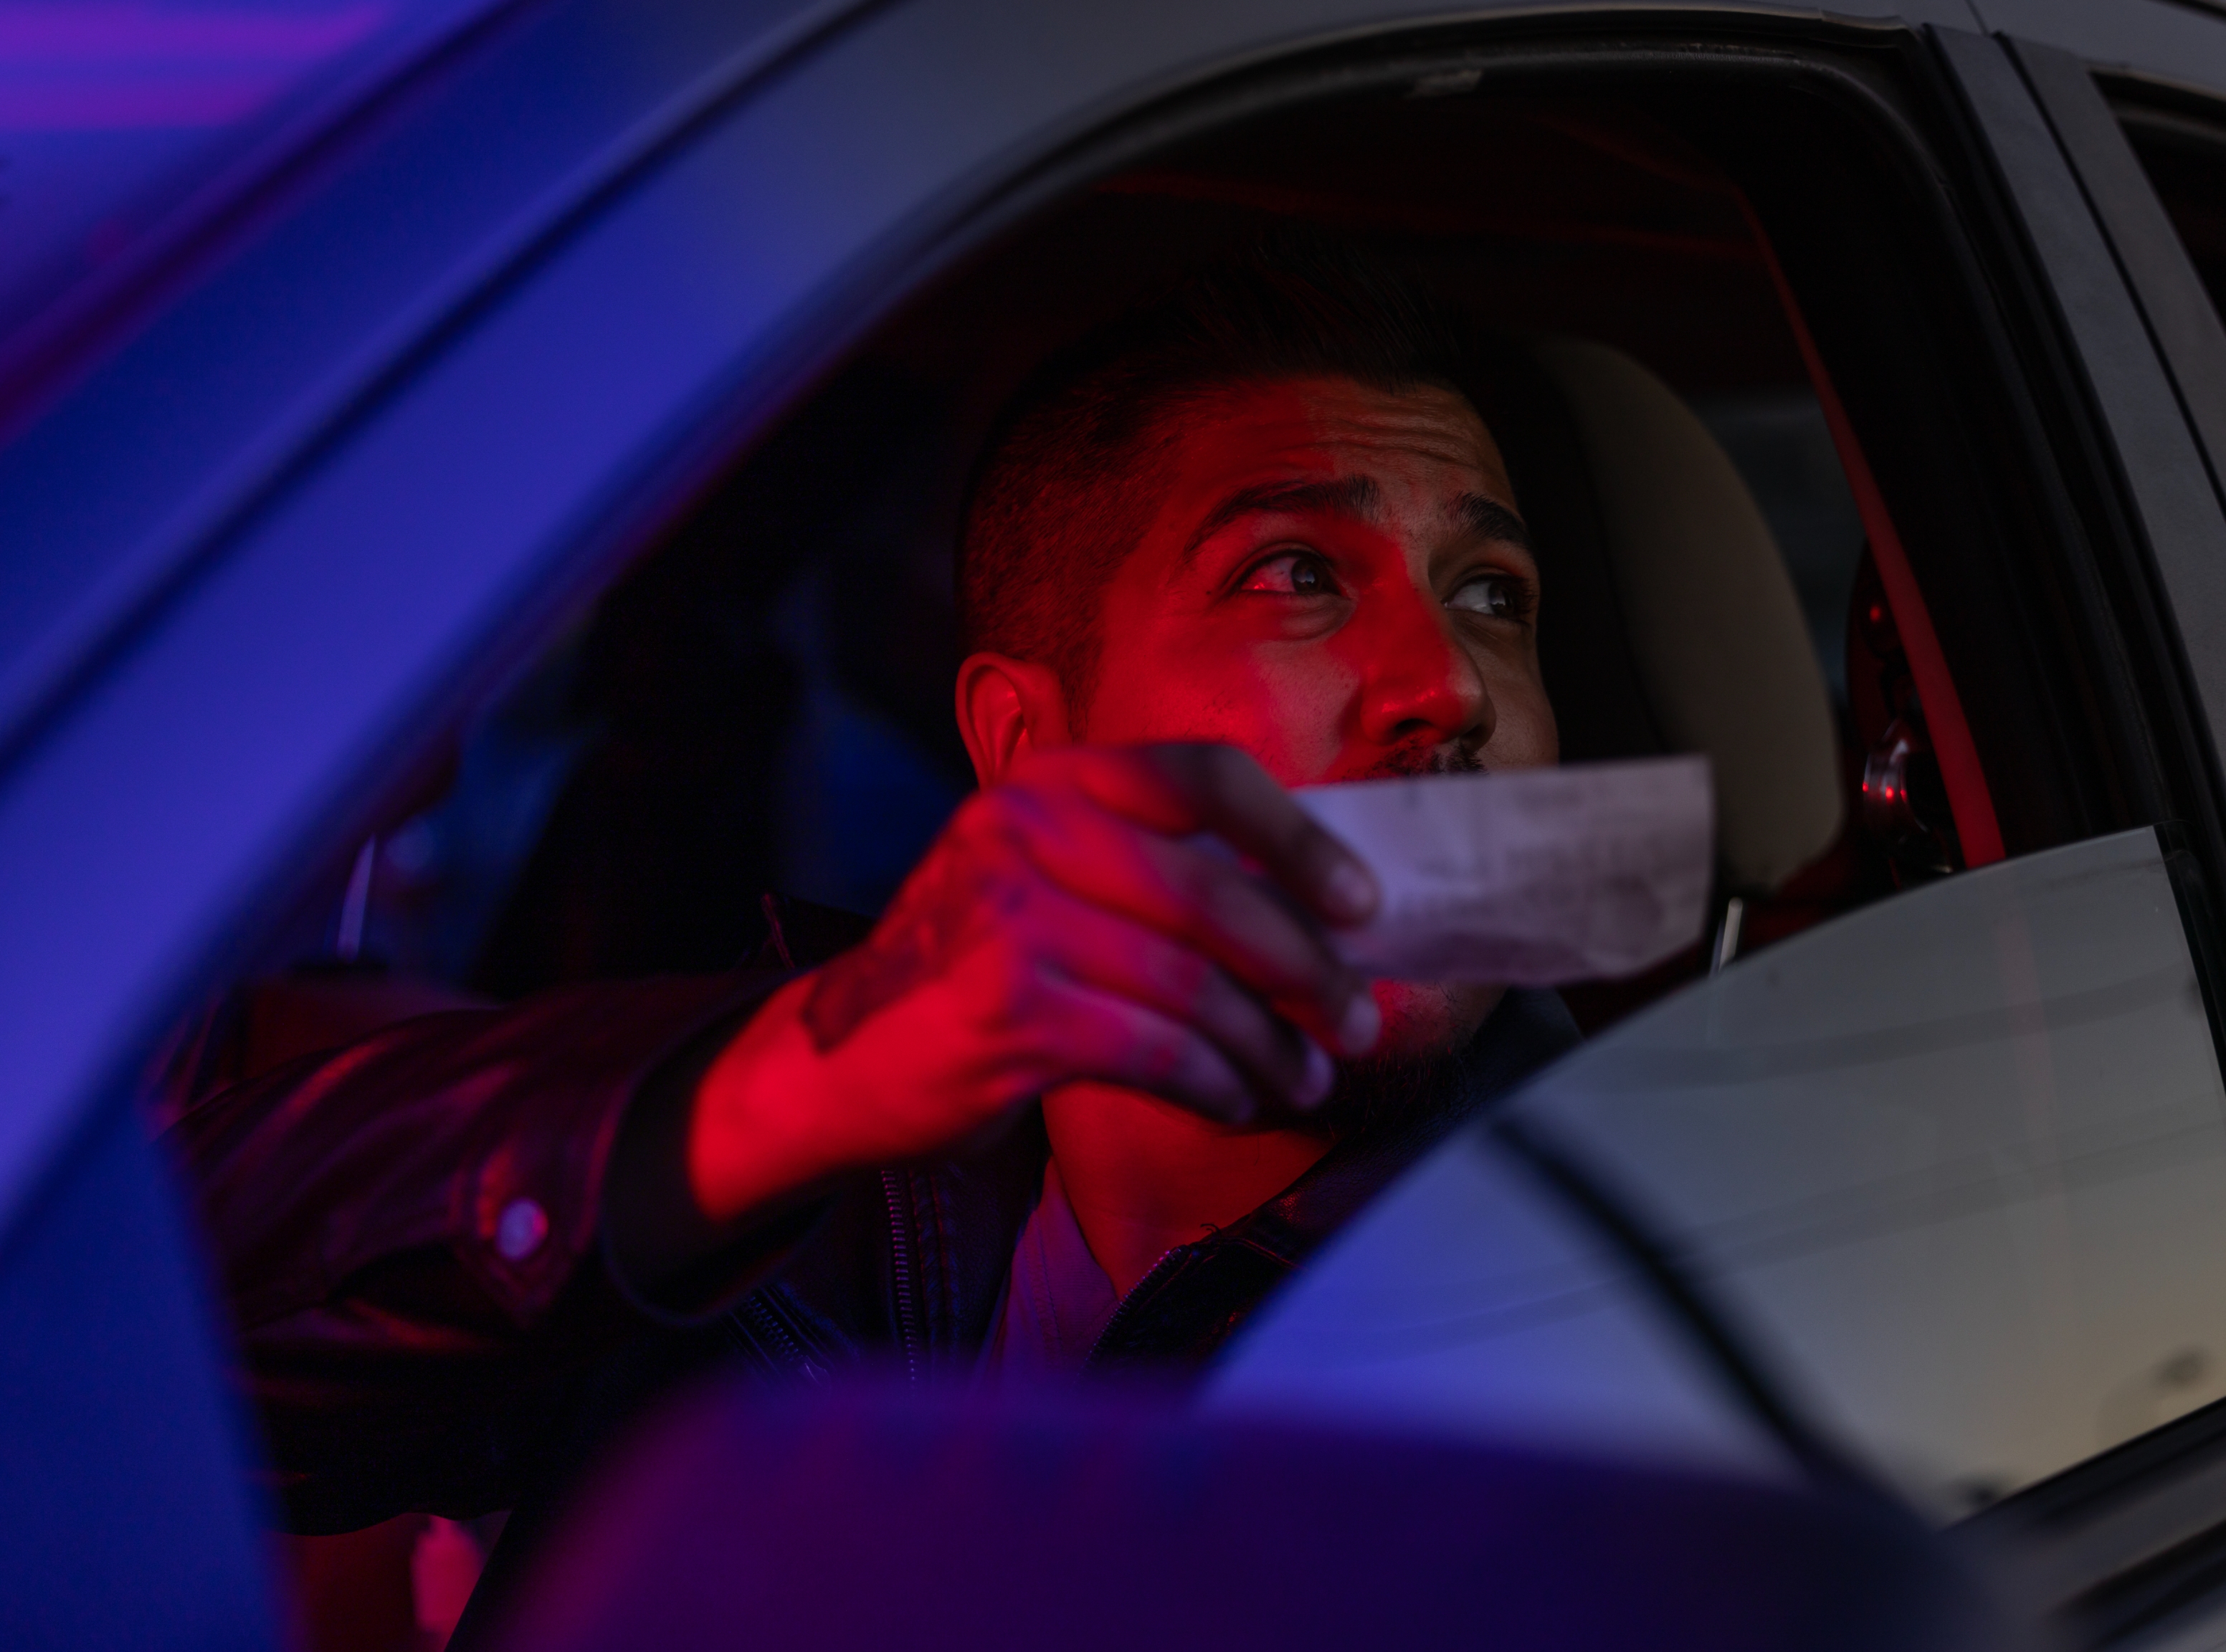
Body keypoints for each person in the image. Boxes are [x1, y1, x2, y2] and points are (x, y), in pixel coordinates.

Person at [170, 235, 1578, 1544]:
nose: (1448, 684)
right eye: (1296, 573)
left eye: (1491, 595)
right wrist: (786, 1092)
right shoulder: (783, 1205)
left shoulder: (1620, 1307)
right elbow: (134, 1363)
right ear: (1029, 744)